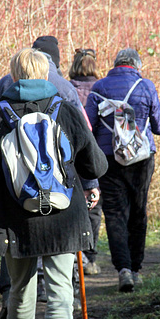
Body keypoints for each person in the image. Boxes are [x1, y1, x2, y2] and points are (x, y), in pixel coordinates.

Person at [0, 48, 107, 319]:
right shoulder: (66, 108)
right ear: (47, 74)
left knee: (20, 288)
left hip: (17, 220)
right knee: (62, 289)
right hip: (64, 216)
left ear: (14, 76)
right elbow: (96, 164)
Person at [85, 48, 160, 293]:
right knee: (138, 211)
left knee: (114, 213)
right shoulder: (146, 86)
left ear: (116, 64)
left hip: (108, 159)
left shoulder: (99, 88)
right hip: (141, 160)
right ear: (136, 66)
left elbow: (88, 127)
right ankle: (136, 268)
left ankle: (122, 270)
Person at [69, 48, 102, 275]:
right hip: (95, 157)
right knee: (93, 208)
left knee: (70, 206)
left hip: (71, 157)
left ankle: (73, 256)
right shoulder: (101, 89)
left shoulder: (66, 88)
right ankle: (90, 258)